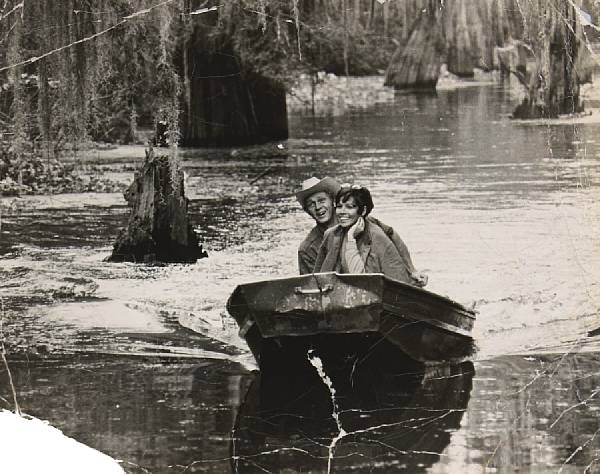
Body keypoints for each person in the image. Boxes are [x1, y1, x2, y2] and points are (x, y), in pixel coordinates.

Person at [296, 177, 427, 286]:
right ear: (307, 210)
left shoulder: (364, 221)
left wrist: (412, 270)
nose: (318, 207)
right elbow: (312, 285)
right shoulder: (308, 248)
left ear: (332, 202)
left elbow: (392, 234)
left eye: (321, 200)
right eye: (311, 204)